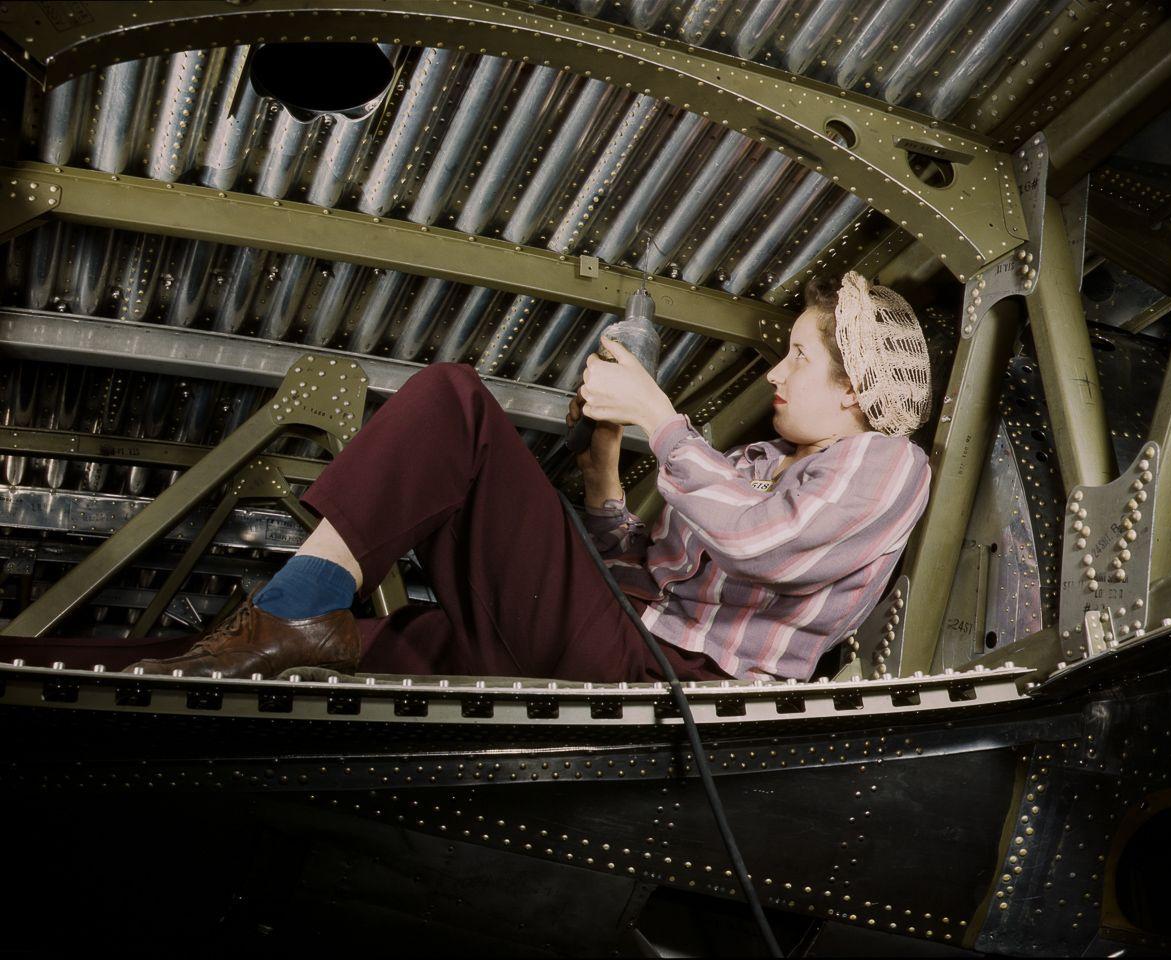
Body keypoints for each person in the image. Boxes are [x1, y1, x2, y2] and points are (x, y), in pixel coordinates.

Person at [125, 271, 932, 683]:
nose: (776, 376)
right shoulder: (754, 465)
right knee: (389, 646)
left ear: (856, 387)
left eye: (799, 356)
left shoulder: (887, 463)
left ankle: (286, 614)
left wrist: (658, 416)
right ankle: (173, 657)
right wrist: (604, 477)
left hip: (680, 686)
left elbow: (768, 546)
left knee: (456, 401)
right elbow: (642, 583)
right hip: (626, 644)